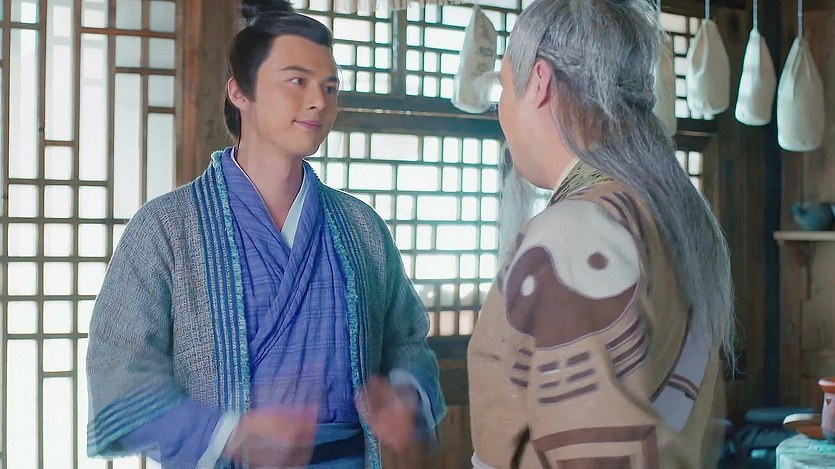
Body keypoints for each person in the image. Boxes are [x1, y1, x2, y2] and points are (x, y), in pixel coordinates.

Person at [85, 1, 445, 467]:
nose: (319, 102)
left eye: (330, 87)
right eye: (297, 81)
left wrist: (405, 396)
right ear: (240, 91)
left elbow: (407, 341)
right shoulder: (166, 228)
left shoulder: (361, 228)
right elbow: (118, 372)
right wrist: (231, 434)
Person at [467, 0, 734, 467]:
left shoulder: (576, 233)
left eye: (505, 88)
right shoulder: (672, 216)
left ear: (541, 82)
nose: (501, 112)